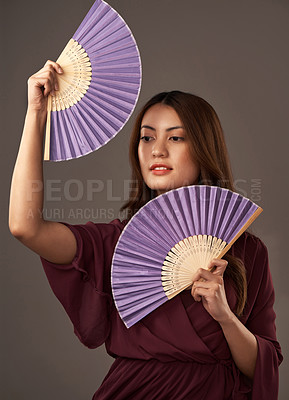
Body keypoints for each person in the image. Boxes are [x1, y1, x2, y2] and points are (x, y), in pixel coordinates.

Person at [9, 61, 282, 399]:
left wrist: (225, 317)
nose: (157, 149)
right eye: (147, 137)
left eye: (176, 137)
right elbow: (25, 227)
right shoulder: (115, 242)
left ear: (203, 148)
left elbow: (261, 367)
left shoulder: (247, 251)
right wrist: (36, 113)